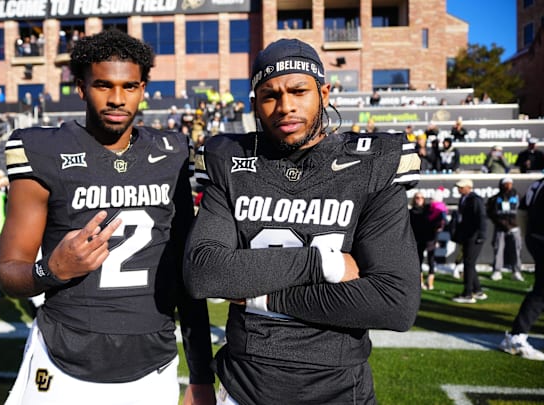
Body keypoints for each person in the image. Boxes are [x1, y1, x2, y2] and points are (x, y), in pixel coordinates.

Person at [184, 38, 421, 404]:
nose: (285, 107)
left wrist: (262, 297)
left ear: (324, 92)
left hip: (338, 389)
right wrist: (323, 262)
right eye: (270, 95)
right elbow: (204, 273)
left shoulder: (371, 163)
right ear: (254, 104)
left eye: (299, 91)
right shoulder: (228, 160)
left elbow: (394, 302)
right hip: (245, 386)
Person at [0, 29, 215, 405]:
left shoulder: (174, 152)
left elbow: (186, 274)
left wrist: (201, 375)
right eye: (103, 85)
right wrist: (51, 270)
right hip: (65, 351)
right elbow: (8, 272)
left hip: (151, 360)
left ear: (143, 88)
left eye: (129, 86)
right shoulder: (43, 149)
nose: (117, 99)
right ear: (80, 88)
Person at [499, 176, 544, 360]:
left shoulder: (537, 183)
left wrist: (529, 237)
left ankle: (517, 334)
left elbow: (522, 211)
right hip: (540, 238)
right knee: (541, 291)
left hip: (536, 238)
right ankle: (517, 336)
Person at [451, 179, 488, 303]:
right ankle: (478, 291)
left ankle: (467, 294)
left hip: (475, 236)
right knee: (469, 263)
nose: (459, 189)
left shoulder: (475, 199)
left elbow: (481, 217)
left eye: (461, 187)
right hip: (468, 236)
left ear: (468, 187)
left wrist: (481, 235)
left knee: (468, 264)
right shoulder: (464, 199)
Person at [487, 177, 524, 282]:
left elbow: (522, 211)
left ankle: (516, 271)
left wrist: (515, 223)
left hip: (515, 227)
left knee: (516, 249)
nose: (508, 186)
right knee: (498, 248)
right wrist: (500, 222)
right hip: (500, 227)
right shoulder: (496, 198)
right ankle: (497, 271)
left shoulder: (517, 197)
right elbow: (490, 212)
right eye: (506, 184)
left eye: (510, 184)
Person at [410, 192, 447, 290]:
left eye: (421, 197)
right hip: (417, 239)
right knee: (418, 260)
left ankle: (430, 283)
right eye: (417, 197)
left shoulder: (429, 209)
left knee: (431, 259)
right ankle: (420, 282)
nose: (419, 199)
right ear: (414, 199)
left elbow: (440, 216)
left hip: (430, 238)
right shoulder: (410, 211)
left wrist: (439, 227)